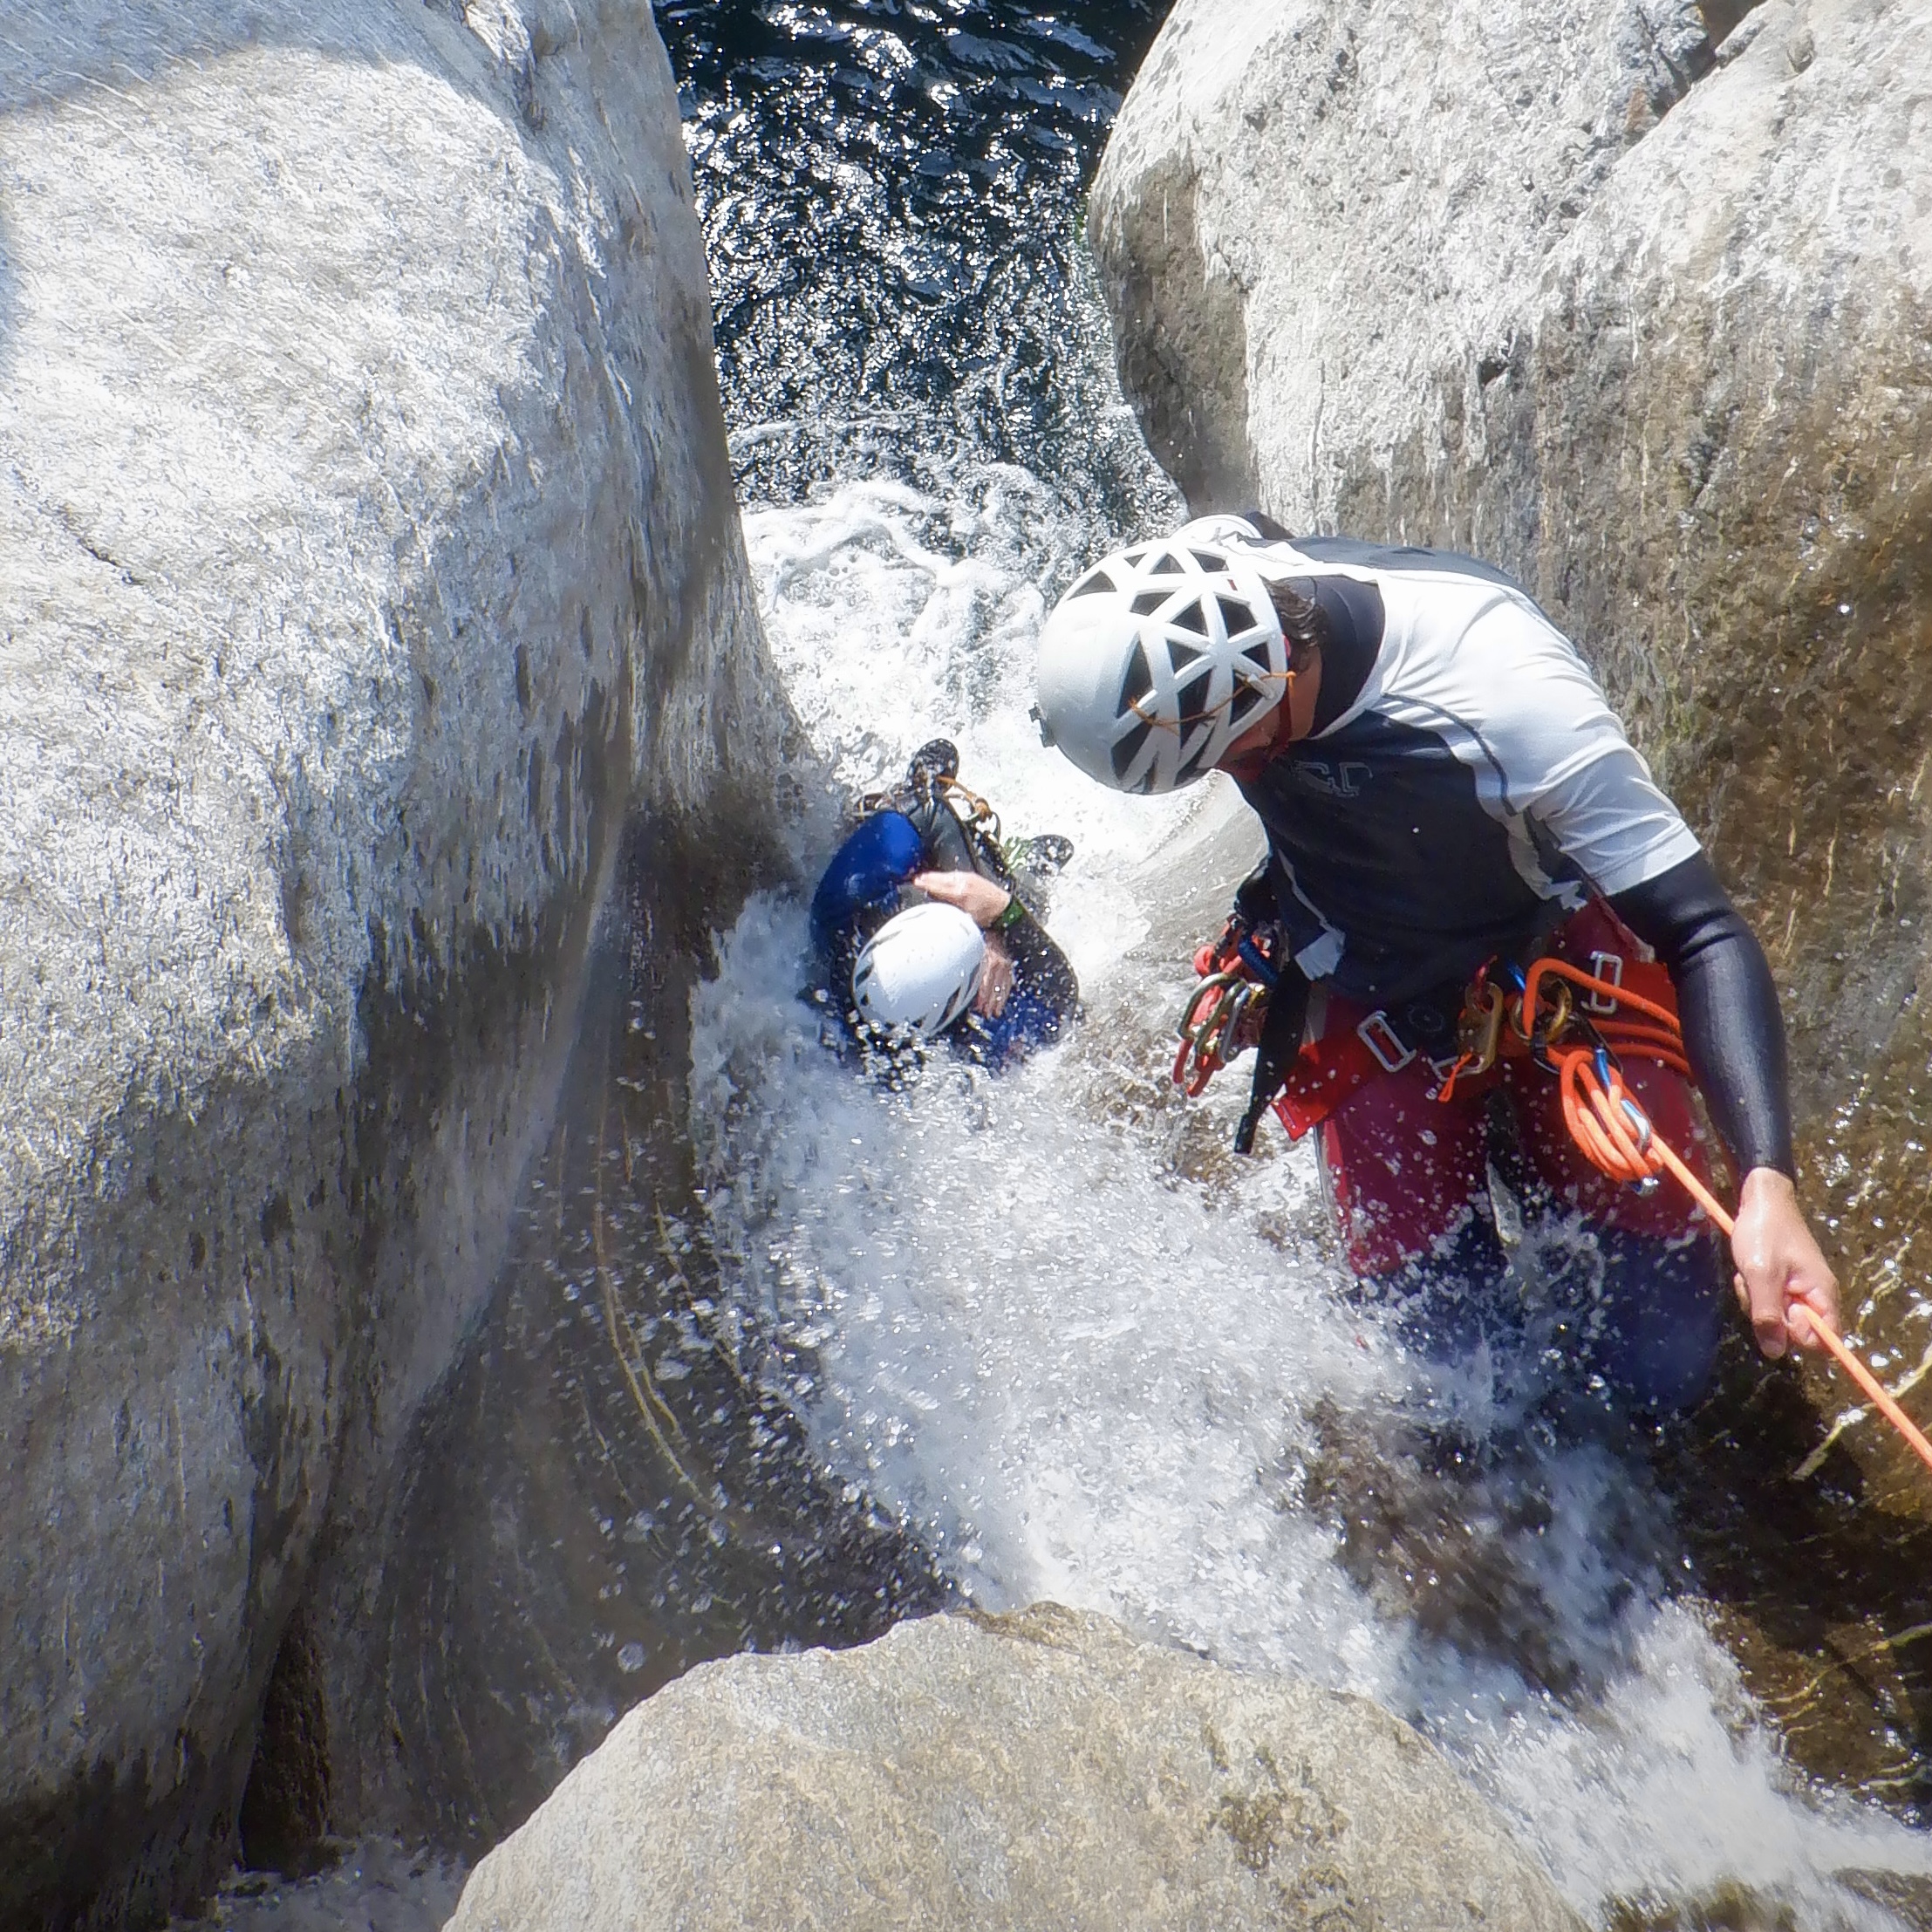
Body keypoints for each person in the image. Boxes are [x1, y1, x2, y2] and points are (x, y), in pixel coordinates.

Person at [1032, 515, 1839, 1410]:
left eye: (1233, 752)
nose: (1229, 774)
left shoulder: (1505, 694)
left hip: (1549, 973)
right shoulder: (1228, 567)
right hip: (1367, 986)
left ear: (1270, 675)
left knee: (1660, 1367)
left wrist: (1767, 1182)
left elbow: (1702, 931)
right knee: (1443, 1392)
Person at [809, 739, 1080, 1067]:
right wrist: (1002, 913)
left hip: (915, 879)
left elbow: (927, 795)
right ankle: (1022, 875)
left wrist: (978, 910)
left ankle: (991, 875)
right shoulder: (985, 1033)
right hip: (978, 903)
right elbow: (1061, 995)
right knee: (1025, 905)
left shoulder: (839, 908)